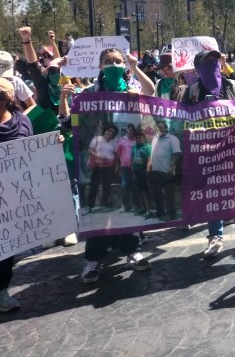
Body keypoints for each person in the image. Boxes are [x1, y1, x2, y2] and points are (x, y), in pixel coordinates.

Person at [77, 47, 155, 284]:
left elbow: (150, 91)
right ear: (100, 66)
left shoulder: (131, 91)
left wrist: (135, 66)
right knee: (102, 209)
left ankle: (132, 250)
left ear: (124, 66)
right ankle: (93, 259)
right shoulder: (89, 93)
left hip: (127, 160)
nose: (113, 65)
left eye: (117, 62)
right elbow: (78, 120)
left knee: (128, 205)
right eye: (108, 62)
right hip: (101, 160)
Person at [181, 50, 235, 256]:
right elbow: (183, 119)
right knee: (213, 193)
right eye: (207, 62)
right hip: (207, 152)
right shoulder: (191, 92)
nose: (212, 64)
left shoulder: (233, 86)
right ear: (198, 68)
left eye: (214, 61)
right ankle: (215, 237)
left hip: (233, 148)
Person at [0, 77, 32, 317]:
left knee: (4, 246)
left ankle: (0, 292)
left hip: (8, 199)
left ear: (4, 100)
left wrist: (52, 145)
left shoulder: (22, 122)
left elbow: (30, 154)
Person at [147, 119, 181, 221]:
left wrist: (171, 166)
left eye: (161, 127)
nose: (159, 129)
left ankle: (171, 214)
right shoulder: (155, 138)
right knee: (156, 193)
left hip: (167, 171)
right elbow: (152, 154)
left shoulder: (172, 139)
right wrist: (149, 166)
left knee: (169, 194)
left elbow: (177, 154)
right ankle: (160, 212)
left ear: (166, 128)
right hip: (155, 171)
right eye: (158, 127)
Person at [84, 124, 119, 213]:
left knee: (106, 186)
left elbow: (116, 154)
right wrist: (99, 156)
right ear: (105, 130)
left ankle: (104, 205)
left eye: (112, 132)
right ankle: (89, 206)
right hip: (98, 166)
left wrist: (116, 165)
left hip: (109, 167)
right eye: (109, 130)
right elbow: (90, 150)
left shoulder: (114, 141)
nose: (110, 133)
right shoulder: (97, 139)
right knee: (94, 186)